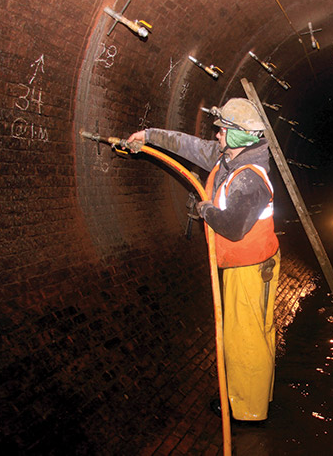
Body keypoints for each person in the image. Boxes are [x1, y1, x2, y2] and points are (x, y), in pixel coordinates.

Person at [127, 97, 280, 422]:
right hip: (242, 265)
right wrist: (149, 136)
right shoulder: (227, 157)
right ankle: (246, 397)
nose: (217, 135)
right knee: (243, 335)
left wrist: (204, 209)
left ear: (240, 135)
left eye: (223, 130)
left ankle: (250, 412)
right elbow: (189, 146)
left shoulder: (249, 177)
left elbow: (234, 228)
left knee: (247, 339)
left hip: (252, 268)